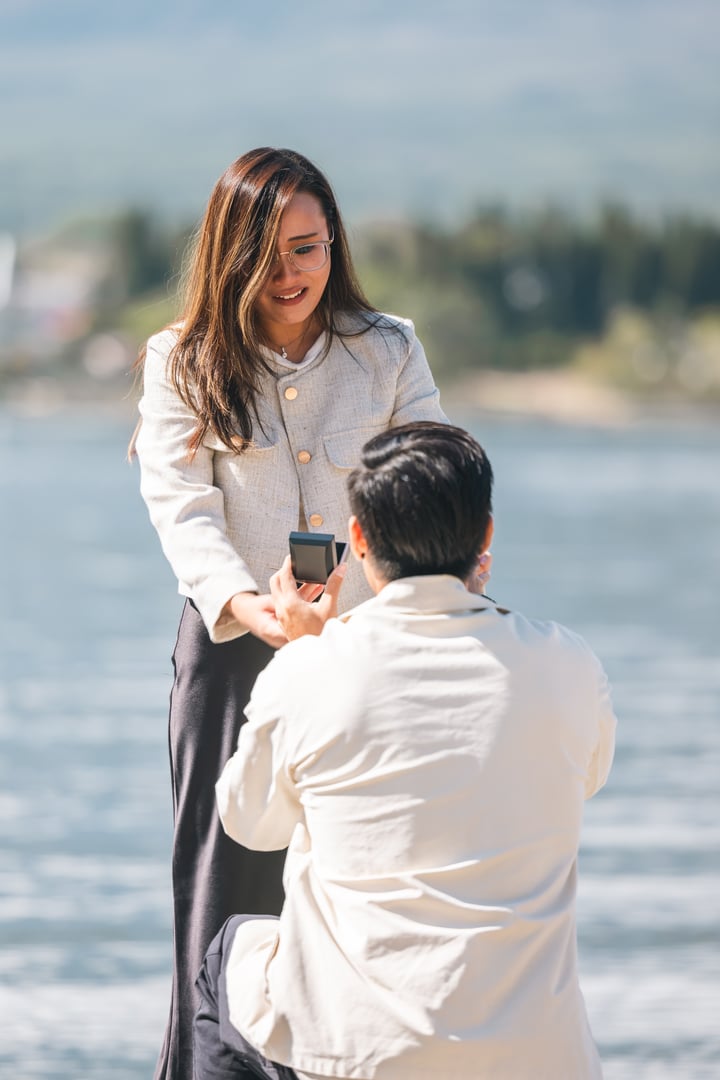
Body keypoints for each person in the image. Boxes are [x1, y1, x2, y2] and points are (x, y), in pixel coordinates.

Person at [131, 148, 458, 1080]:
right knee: (225, 880)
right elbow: (181, 509)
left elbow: (431, 478)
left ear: (335, 244)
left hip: (370, 656)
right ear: (228, 259)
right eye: (269, 256)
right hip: (234, 652)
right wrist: (247, 604)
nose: (291, 275)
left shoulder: (389, 349)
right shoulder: (180, 359)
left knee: (364, 875)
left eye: (308, 249)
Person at [198, 421, 617, 1080]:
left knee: (228, 952)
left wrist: (307, 651)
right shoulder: (567, 661)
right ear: (486, 535)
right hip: (542, 1056)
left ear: (357, 540)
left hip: (360, 1054)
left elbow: (248, 822)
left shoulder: (314, 671)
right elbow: (583, 777)